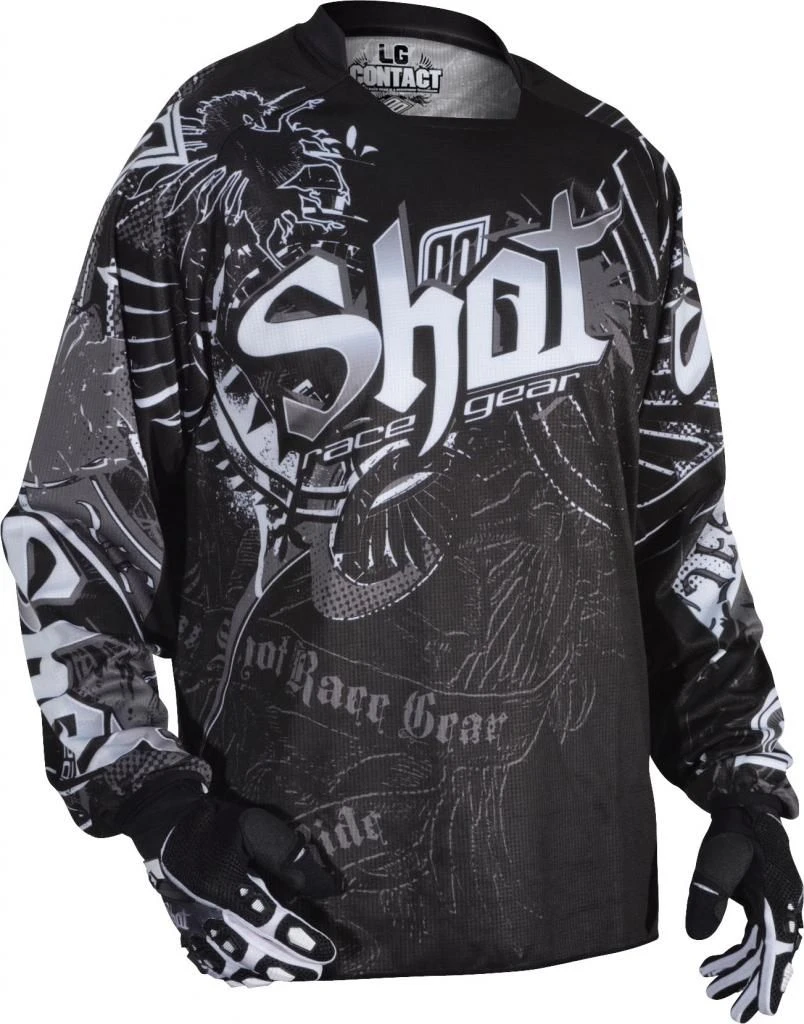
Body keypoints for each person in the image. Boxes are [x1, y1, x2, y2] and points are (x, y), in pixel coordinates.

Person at [1, 2, 801, 1017]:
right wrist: (158, 804)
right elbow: (79, 514)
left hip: (594, 948)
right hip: (286, 921)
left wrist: (743, 784)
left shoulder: (618, 172)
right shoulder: (202, 144)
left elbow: (679, 517)